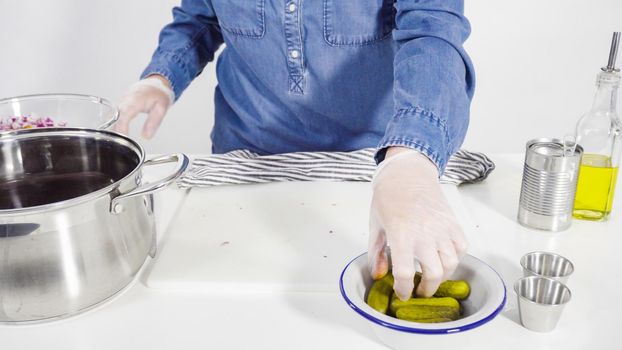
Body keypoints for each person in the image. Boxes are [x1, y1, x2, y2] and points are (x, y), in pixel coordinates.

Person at [117, 0, 473, 301]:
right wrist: (161, 77)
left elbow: (433, 32)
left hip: (373, 171)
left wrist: (411, 158)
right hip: (245, 164)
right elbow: (201, 19)